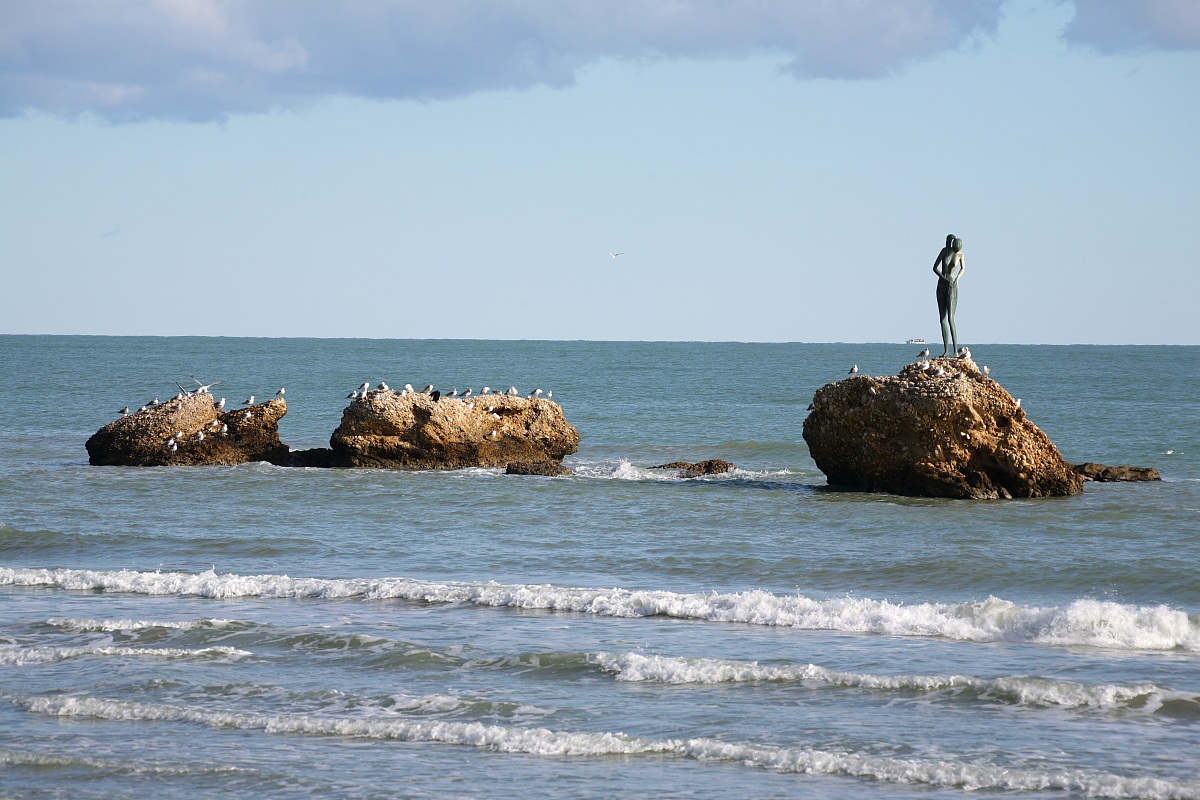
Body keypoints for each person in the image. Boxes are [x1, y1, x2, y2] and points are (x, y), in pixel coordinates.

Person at [932, 234, 965, 357]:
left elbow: (963, 268)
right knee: (942, 319)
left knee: (951, 319)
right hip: (942, 285)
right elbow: (934, 268)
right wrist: (944, 279)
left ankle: (955, 351)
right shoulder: (944, 251)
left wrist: (956, 279)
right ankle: (946, 351)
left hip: (952, 286)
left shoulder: (960, 254)